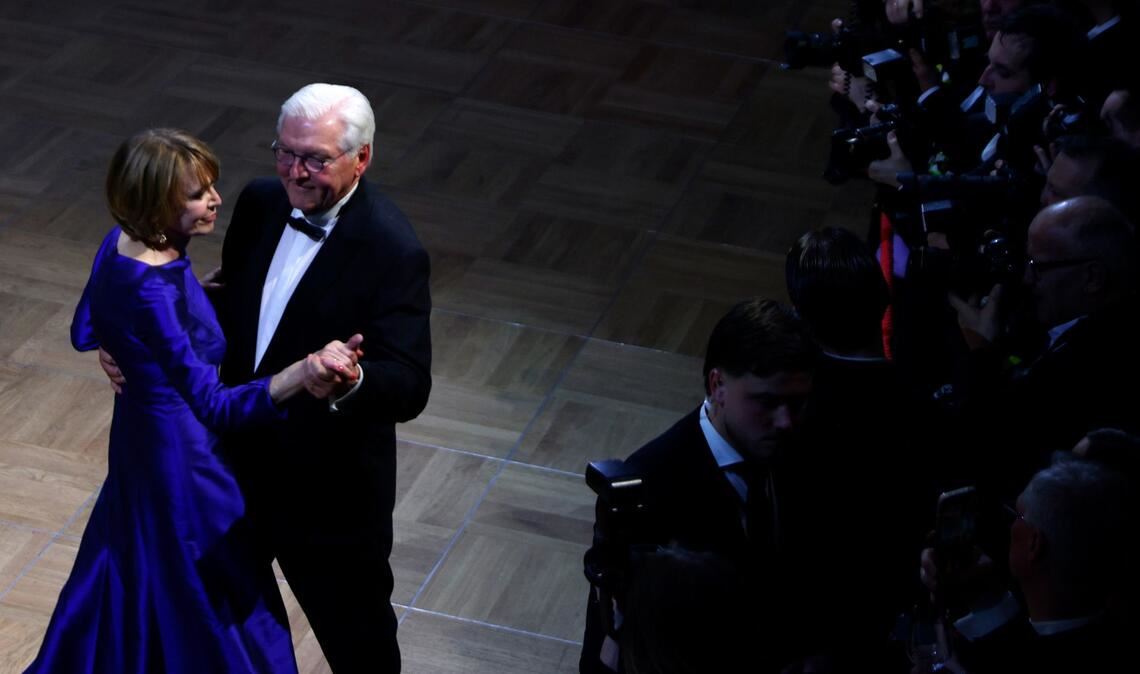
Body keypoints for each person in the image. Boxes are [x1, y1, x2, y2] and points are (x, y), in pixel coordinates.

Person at [26, 128, 361, 673]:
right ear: (157, 201)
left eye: (212, 186)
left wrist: (148, 328)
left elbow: (85, 327)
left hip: (137, 444)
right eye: (197, 193)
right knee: (214, 605)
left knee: (145, 579)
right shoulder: (154, 291)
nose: (215, 201)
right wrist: (302, 372)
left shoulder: (119, 244)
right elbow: (218, 407)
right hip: (186, 462)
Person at [580, 298, 817, 674]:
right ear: (717, 385)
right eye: (767, 402)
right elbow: (609, 651)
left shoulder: (805, 449)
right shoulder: (648, 488)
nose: (786, 421)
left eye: (797, 403)